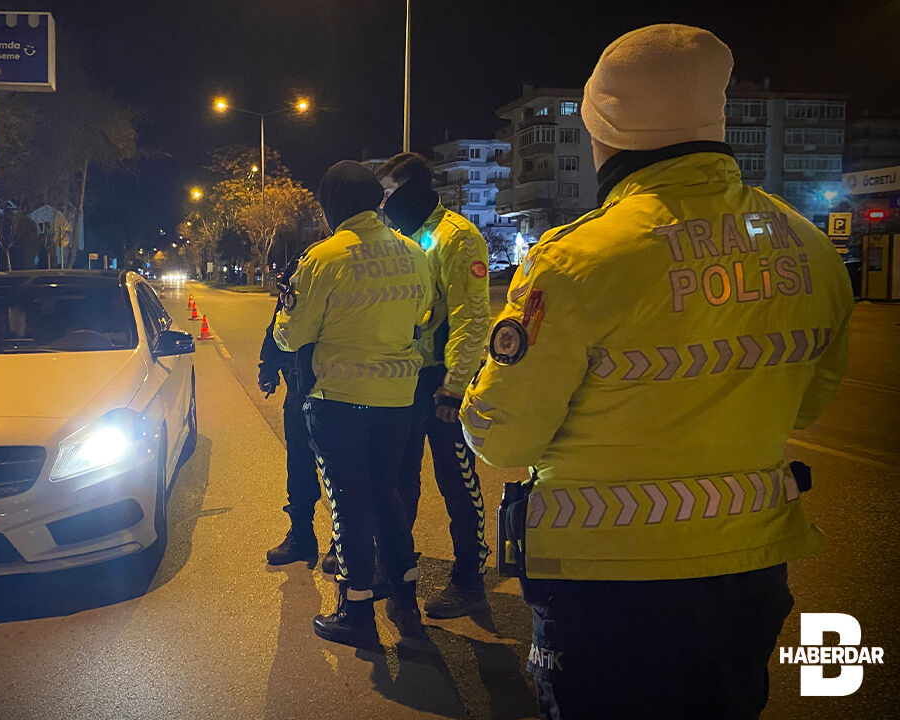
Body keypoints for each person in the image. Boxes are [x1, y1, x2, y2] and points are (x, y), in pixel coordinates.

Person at [460, 25, 853, 719]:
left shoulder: (578, 261)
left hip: (605, 587)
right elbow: (806, 405)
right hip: (749, 568)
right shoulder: (808, 246)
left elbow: (503, 438)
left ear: (604, 131)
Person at [274, 160, 432, 647]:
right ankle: (405, 603)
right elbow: (423, 315)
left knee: (348, 504)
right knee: (387, 496)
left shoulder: (324, 258)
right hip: (397, 399)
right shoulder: (413, 253)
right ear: (377, 201)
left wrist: (285, 311)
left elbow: (292, 335)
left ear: (330, 206)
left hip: (339, 401)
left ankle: (356, 610)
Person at [377, 152, 492, 618]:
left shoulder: (457, 238)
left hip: (444, 383)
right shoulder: (402, 238)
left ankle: (469, 580)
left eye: (389, 193)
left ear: (412, 191)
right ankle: (398, 566)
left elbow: (471, 319)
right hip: (406, 382)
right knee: (400, 479)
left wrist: (454, 386)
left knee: (456, 481)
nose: (383, 203)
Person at [260, 253, 335, 573]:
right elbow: (277, 325)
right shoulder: (297, 278)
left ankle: (342, 541)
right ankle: (302, 535)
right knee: (299, 466)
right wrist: (268, 367)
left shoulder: (333, 280)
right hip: (297, 388)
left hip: (333, 391)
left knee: (337, 470)